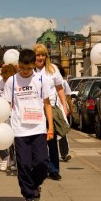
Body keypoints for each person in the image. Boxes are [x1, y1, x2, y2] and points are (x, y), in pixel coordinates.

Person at [3, 49, 54, 201]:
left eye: (29, 69)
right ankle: (29, 196)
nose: (25, 72)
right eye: (23, 68)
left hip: (38, 128)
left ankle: (35, 184)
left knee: (42, 162)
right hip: (19, 130)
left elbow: (47, 104)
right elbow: (7, 105)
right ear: (18, 65)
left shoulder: (41, 79)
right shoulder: (11, 81)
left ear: (34, 66)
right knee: (24, 165)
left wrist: (50, 127)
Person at [33, 43, 68, 181]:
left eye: (42, 55)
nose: (40, 57)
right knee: (37, 140)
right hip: (35, 109)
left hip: (50, 109)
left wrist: (64, 105)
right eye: (37, 55)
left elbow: (60, 88)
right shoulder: (30, 70)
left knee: (51, 140)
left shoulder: (52, 69)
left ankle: (54, 169)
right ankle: (39, 167)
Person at [0, 64, 18, 171]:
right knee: (2, 138)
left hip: (14, 114)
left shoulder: (16, 82)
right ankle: (5, 158)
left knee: (14, 139)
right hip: (1, 113)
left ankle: (14, 160)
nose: (4, 78)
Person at [55, 63, 73, 161]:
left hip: (60, 109)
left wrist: (70, 108)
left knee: (62, 131)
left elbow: (68, 96)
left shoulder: (63, 82)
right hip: (49, 108)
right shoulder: (46, 80)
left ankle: (65, 153)